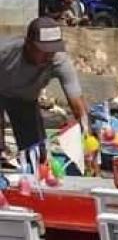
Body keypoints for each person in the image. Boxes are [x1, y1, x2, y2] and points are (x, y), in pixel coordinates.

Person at [0, 18, 88, 163]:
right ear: (28, 44)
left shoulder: (59, 60)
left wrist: (87, 137)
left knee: (36, 155)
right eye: (44, 50)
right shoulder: (6, 52)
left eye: (53, 49)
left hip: (25, 100)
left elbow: (77, 103)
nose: (49, 55)